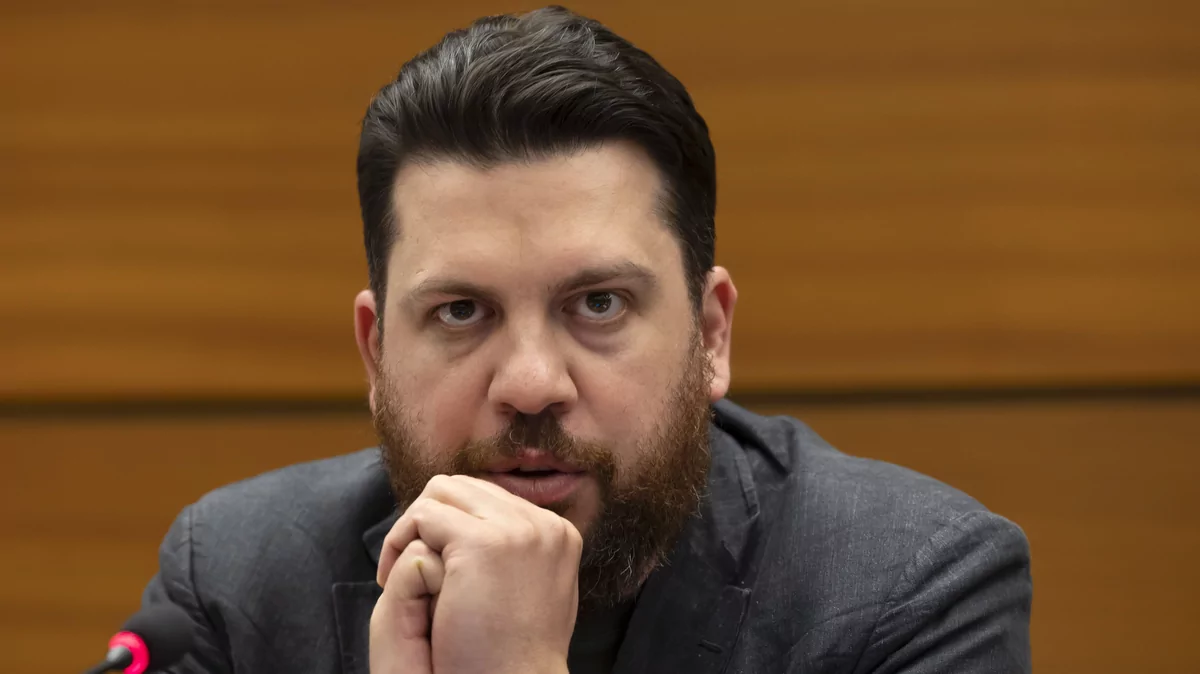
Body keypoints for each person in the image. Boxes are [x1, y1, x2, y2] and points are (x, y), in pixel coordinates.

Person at [142, 6, 1032, 673]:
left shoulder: (910, 589)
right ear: (376, 354)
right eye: (461, 312)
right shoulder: (236, 582)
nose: (531, 384)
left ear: (711, 334)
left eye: (598, 304)